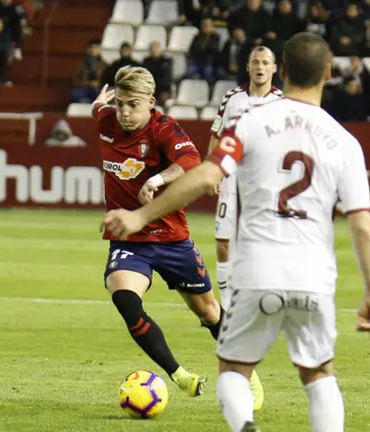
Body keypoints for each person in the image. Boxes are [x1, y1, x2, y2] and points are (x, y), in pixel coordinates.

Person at [102, 33, 370, 432]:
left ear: (281, 71)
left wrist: (140, 215)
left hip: (257, 269)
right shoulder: (345, 141)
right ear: (327, 72)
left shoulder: (252, 120)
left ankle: (244, 427)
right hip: (313, 276)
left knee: (234, 370)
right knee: (320, 376)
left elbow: (205, 175)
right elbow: (362, 224)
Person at [91, 65, 262, 399]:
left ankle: (248, 375)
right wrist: (102, 103)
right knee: (125, 299)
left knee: (210, 312)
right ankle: (179, 375)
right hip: (129, 239)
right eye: (120, 104)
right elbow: (99, 107)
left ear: (151, 102)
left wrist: (157, 180)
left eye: (133, 105)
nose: (124, 113)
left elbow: (191, 160)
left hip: (171, 238)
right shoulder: (105, 119)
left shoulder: (164, 129)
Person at [206, 45, 281, 412]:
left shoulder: (281, 103)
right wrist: (212, 170)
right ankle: (230, 305)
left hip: (261, 181)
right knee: (222, 244)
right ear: (249, 67)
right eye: (256, 62)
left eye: (266, 63)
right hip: (232, 177)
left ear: (274, 69)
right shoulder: (232, 98)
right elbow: (216, 135)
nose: (260, 68)